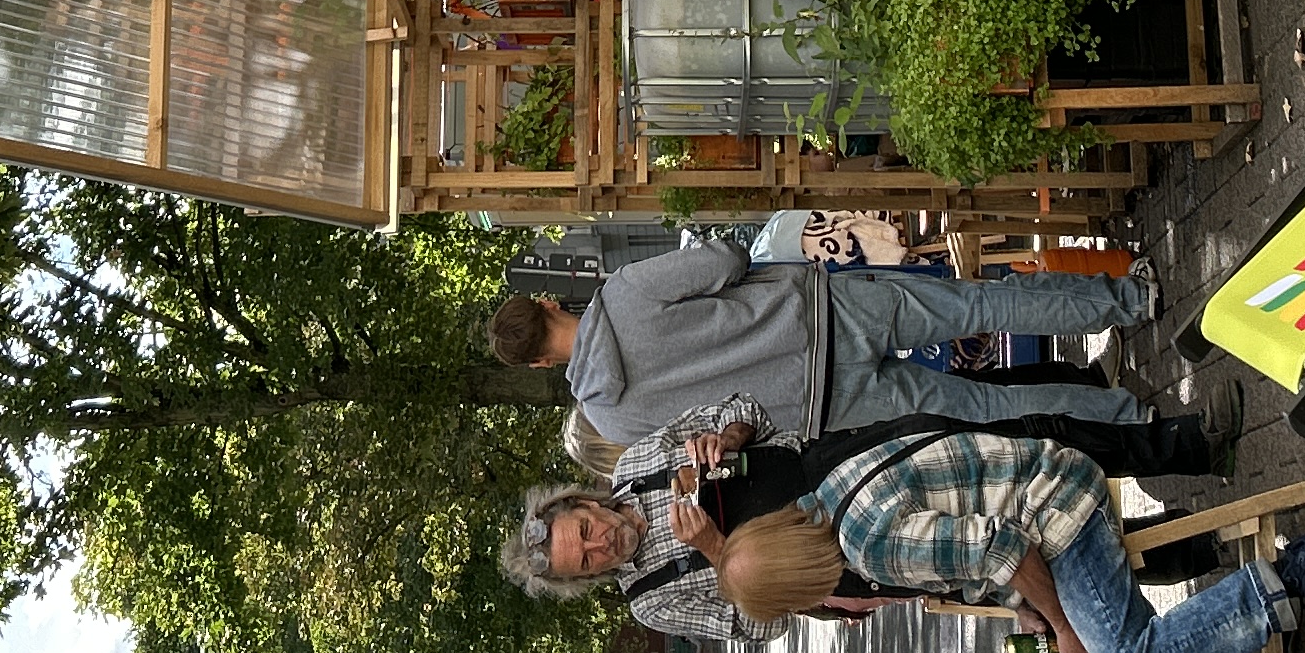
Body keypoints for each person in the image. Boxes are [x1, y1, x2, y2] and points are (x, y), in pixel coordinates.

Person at [714, 426, 1305, 653]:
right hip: (1035, 492)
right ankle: (1226, 629)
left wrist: (1061, 621)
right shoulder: (826, 495)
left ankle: (1289, 575)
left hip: (1058, 510)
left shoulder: (869, 547)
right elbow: (985, 550)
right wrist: (1036, 616)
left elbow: (1005, 550)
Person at [504, 399, 1239, 641]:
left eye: (586, 532)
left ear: (582, 501)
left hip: (845, 462)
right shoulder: (651, 601)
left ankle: (1185, 444)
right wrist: (718, 548)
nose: (602, 545)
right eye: (589, 562)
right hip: (849, 557)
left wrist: (723, 439)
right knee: (1020, 557)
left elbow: (748, 411)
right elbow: (768, 624)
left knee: (1015, 440)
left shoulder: (637, 461)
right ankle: (1202, 541)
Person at [486, 238, 1149, 448]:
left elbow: (700, 442)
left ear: (542, 362)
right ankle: (1127, 301)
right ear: (549, 304)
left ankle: (1126, 418)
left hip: (819, 409)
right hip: (825, 314)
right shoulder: (624, 291)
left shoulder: (610, 421)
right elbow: (725, 259)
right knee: (980, 304)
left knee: (980, 413)